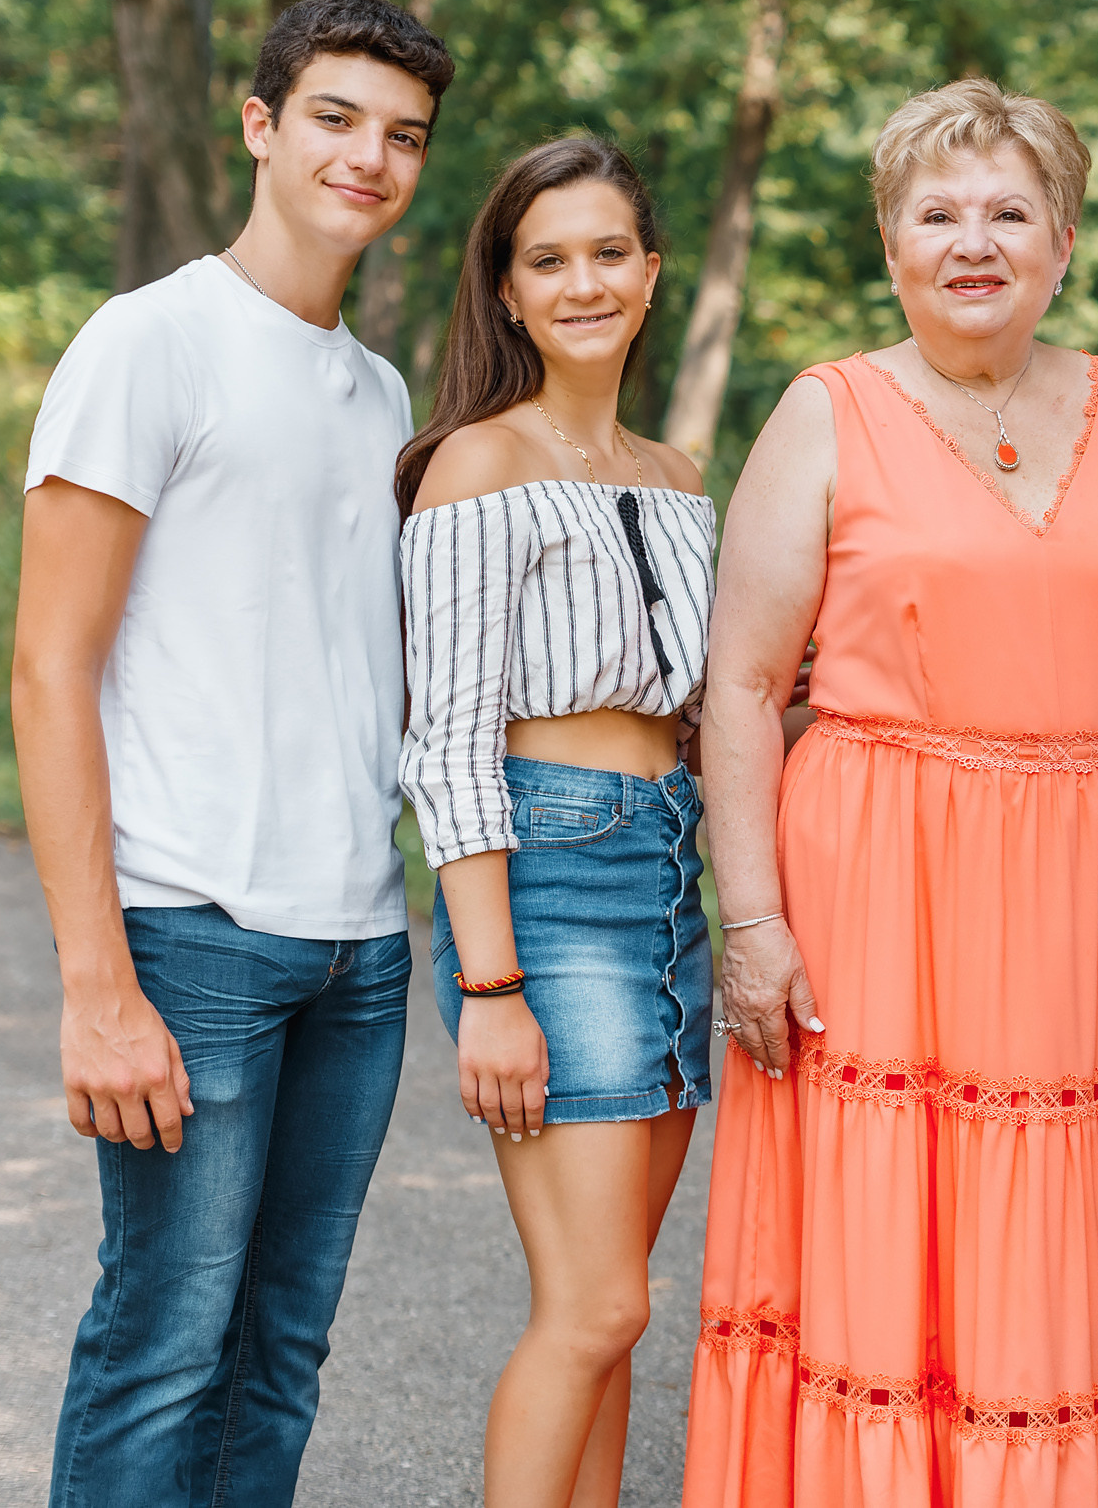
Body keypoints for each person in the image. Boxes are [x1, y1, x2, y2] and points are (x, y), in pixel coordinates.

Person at [683, 78, 1098, 1505]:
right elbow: (741, 686)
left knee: (1061, 1227)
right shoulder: (828, 413)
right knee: (883, 1234)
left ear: (1061, 240)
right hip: (878, 881)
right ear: (891, 240)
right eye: (938, 214)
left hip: (1089, 884)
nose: (972, 242)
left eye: (1007, 212)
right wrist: (750, 920)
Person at [10, 0, 452, 1506]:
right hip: (190, 930)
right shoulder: (151, 342)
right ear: (260, 125)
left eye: (402, 136)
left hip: (359, 951)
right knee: (164, 1345)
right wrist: (96, 988)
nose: (368, 158)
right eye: (335, 117)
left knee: (282, 1351)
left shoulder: (378, 390)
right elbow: (49, 668)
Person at [390, 137, 714, 1507]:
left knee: (621, 1310)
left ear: (650, 275)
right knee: (587, 1309)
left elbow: (708, 705)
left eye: (606, 253)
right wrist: (491, 985)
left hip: (665, 873)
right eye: (547, 260)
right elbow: (448, 744)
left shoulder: (682, 474)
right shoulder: (478, 463)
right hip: (552, 882)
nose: (582, 282)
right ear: (509, 293)